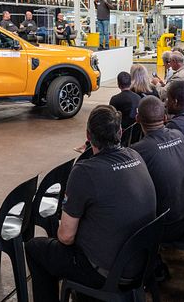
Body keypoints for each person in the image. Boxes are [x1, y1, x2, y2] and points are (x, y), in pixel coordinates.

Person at [25, 105, 156, 302]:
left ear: (88, 135)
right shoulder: (135, 156)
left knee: (36, 248)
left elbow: (66, 237)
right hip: (142, 262)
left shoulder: (84, 172)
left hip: (108, 273)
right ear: (120, 132)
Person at [130, 96, 184, 242]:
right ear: (165, 117)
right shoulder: (179, 135)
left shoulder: (137, 151)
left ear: (137, 119)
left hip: (166, 226)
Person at [109, 71, 142, 146]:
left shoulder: (115, 99)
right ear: (130, 83)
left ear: (118, 84)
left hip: (122, 134)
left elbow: (111, 118)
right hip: (136, 133)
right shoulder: (138, 97)